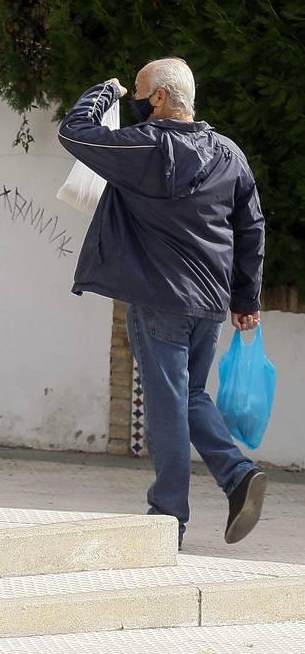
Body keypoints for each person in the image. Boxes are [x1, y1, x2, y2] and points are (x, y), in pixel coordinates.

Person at [58, 58, 266, 548]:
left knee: (168, 405)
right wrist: (245, 296)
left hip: (160, 300)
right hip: (210, 303)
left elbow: (75, 132)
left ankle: (167, 516)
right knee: (190, 395)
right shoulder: (228, 154)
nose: (133, 95)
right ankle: (237, 477)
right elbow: (251, 226)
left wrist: (104, 92)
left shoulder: (145, 148)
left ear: (158, 99)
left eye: (138, 89)